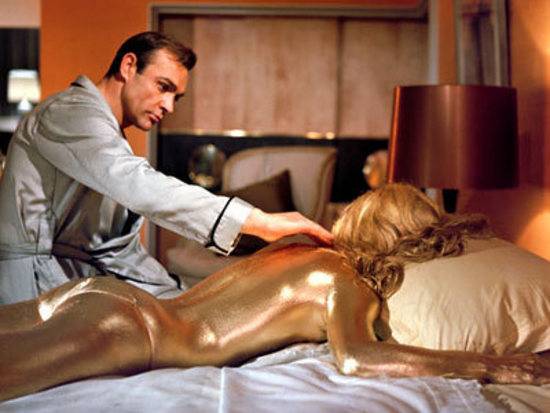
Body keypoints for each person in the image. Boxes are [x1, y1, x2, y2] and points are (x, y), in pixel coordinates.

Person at [1, 183, 548, 401]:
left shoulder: (295, 250)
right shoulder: (346, 278)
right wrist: (501, 366)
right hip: (129, 331)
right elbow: (357, 359)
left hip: (102, 298)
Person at [0, 32, 332, 304]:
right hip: (31, 290)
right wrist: (257, 220)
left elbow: (115, 251)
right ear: (128, 66)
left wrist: (182, 299)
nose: (169, 106)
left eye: (177, 97)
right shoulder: (69, 113)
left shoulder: (108, 138)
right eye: (163, 87)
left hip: (74, 283)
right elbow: (142, 186)